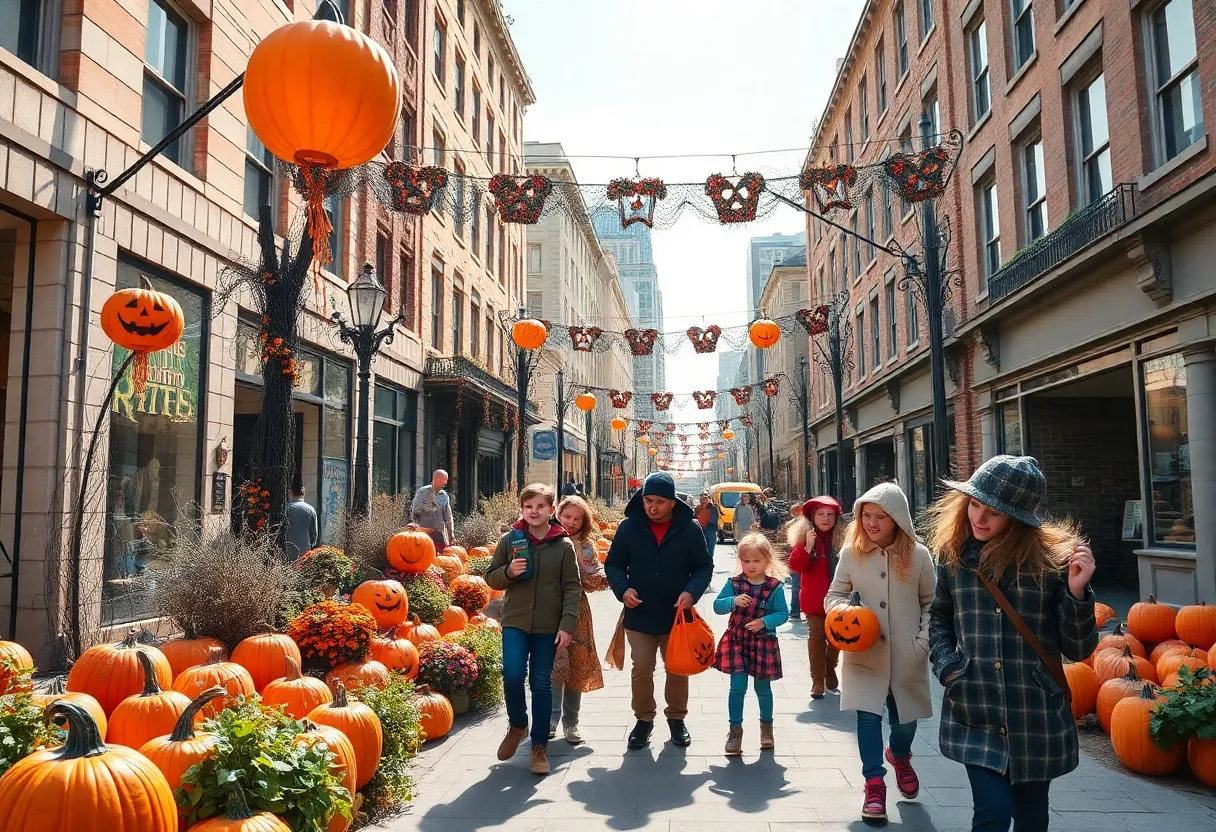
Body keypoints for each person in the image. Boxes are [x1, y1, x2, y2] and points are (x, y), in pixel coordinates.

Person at [925, 456, 1098, 832]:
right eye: (975, 504)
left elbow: (1078, 648)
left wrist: (1077, 592)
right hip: (976, 707)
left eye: (994, 512)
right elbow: (939, 618)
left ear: (1017, 519)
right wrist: (950, 669)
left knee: (1032, 816)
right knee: (992, 814)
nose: (979, 518)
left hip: (1033, 714)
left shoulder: (1050, 565)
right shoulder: (954, 558)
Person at [824, 482, 935, 822]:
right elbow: (834, 595)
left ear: (897, 518)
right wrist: (842, 612)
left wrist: (922, 642)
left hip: (906, 654)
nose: (871, 523)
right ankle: (874, 783)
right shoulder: (851, 553)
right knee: (867, 717)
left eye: (880, 517)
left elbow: (932, 603)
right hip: (863, 652)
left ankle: (899, 754)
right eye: (866, 516)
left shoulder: (919, 556)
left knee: (905, 722)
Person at [604, 471, 713, 749]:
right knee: (641, 668)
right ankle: (644, 719)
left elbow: (703, 566)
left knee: (677, 668)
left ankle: (677, 718)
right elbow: (614, 564)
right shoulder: (629, 527)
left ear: (672, 503)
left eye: (660, 502)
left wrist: (691, 592)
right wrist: (623, 590)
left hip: (676, 615)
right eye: (648, 500)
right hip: (639, 612)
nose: (653, 507)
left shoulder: (690, 529)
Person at [485, 483, 582, 776]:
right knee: (513, 675)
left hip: (547, 626)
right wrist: (508, 572)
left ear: (552, 510)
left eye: (540, 506)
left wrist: (567, 625)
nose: (534, 511)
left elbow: (572, 588)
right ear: (522, 510)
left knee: (541, 682)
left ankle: (539, 745)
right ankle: (518, 724)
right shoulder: (510, 539)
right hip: (515, 621)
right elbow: (491, 577)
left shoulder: (563, 545)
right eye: (528, 507)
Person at [712, 532, 790, 755]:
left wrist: (764, 622)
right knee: (737, 687)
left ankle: (767, 729)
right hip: (737, 641)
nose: (751, 565)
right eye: (746, 561)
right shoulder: (734, 584)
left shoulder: (774, 587)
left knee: (763, 688)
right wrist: (733, 601)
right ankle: (735, 732)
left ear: (767, 560)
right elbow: (717, 606)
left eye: (757, 560)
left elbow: (782, 613)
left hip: (763, 643)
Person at [549, 495, 609, 744]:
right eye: (567, 516)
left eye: (577, 518)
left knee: (577, 664)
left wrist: (603, 576)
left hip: (577, 611)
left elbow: (593, 572)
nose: (571, 522)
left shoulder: (585, 545)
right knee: (553, 665)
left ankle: (571, 721)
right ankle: (551, 719)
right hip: (549, 609)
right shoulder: (545, 538)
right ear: (557, 514)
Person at [787, 496, 844, 699]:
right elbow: (795, 566)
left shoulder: (843, 539)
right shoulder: (805, 538)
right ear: (812, 517)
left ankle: (830, 666)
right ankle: (817, 680)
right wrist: (807, 547)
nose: (826, 519)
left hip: (840, 600)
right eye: (820, 514)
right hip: (814, 599)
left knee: (837, 639)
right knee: (817, 637)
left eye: (830, 514)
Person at [411, 469, 455, 549]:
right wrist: (416, 527)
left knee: (443, 555)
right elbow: (415, 511)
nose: (445, 483)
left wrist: (451, 535)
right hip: (425, 534)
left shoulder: (444, 495)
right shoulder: (422, 492)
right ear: (436, 479)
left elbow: (448, 516)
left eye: (445, 481)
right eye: (443, 481)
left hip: (440, 535)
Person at [284, 485, 319, 561]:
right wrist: (311, 544)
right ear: (303, 493)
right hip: (305, 546)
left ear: (290, 493)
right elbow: (314, 532)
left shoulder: (286, 508)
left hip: (288, 546)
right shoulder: (310, 509)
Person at [695, 492, 720, 557]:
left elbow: (714, 518)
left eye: (705, 498)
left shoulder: (713, 507)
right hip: (700, 530)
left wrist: (710, 525)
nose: (703, 500)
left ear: (709, 499)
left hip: (711, 530)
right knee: (702, 549)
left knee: (710, 550)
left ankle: (709, 560)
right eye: (702, 498)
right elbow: (695, 517)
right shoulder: (698, 508)